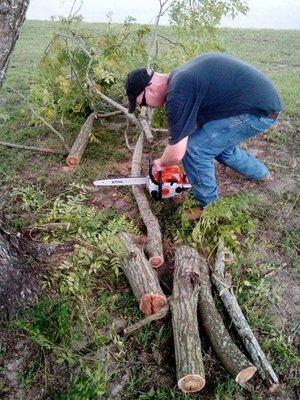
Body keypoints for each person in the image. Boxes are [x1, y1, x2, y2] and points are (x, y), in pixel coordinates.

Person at [125, 52, 283, 215]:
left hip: (258, 112)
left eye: (143, 103)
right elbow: (186, 133)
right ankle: (260, 174)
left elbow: (177, 153)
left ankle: (208, 209)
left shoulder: (178, 94)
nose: (147, 107)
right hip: (263, 103)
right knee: (216, 146)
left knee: (195, 150)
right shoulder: (180, 79)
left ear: (149, 89)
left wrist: (160, 164)